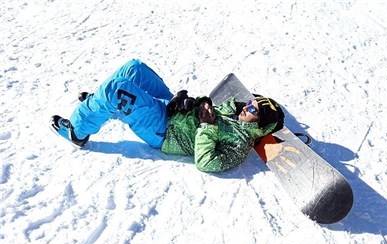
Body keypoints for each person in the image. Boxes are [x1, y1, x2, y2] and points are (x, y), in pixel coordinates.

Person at [51, 58, 284, 172]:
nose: (247, 107)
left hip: (164, 130)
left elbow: (206, 162)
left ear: (259, 124)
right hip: (172, 109)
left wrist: (206, 126)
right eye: (252, 102)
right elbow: (208, 107)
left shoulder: (239, 144)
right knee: (134, 69)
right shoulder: (235, 112)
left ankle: (77, 131)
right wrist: (194, 102)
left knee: (116, 89)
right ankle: (102, 103)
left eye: (254, 110)